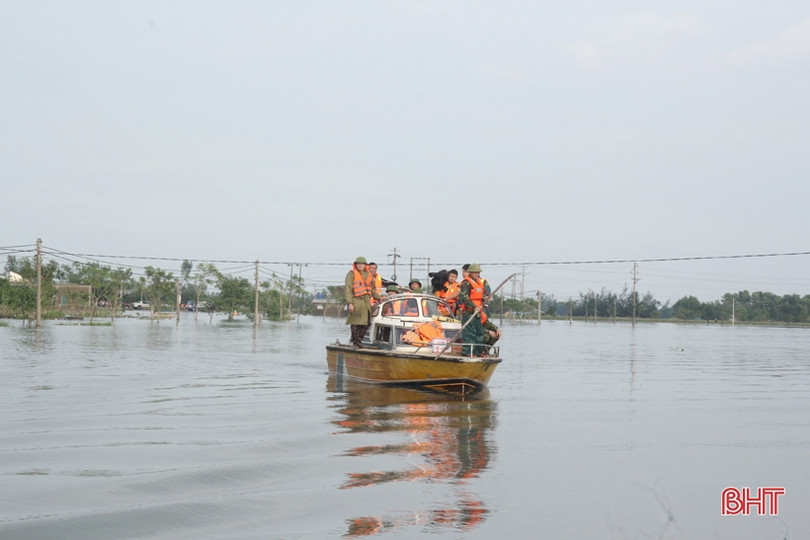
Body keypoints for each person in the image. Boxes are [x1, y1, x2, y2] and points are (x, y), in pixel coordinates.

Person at [344, 256, 380, 347]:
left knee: (366, 323)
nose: (360, 266)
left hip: (366, 302)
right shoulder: (351, 274)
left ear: (365, 265)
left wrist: (379, 298)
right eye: (358, 264)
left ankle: (359, 340)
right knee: (355, 323)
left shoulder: (369, 275)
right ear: (355, 265)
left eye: (362, 264)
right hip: (356, 300)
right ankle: (355, 342)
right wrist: (350, 303)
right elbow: (348, 289)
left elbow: (373, 290)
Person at [458, 263, 487, 356]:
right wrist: (474, 307)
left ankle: (478, 352)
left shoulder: (479, 282)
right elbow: (465, 297)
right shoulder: (466, 283)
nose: (476, 274)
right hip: (469, 311)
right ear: (470, 272)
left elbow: (479, 295)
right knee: (469, 333)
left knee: (479, 333)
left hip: (478, 312)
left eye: (478, 272)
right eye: (474, 272)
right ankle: (467, 352)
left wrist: (484, 299)